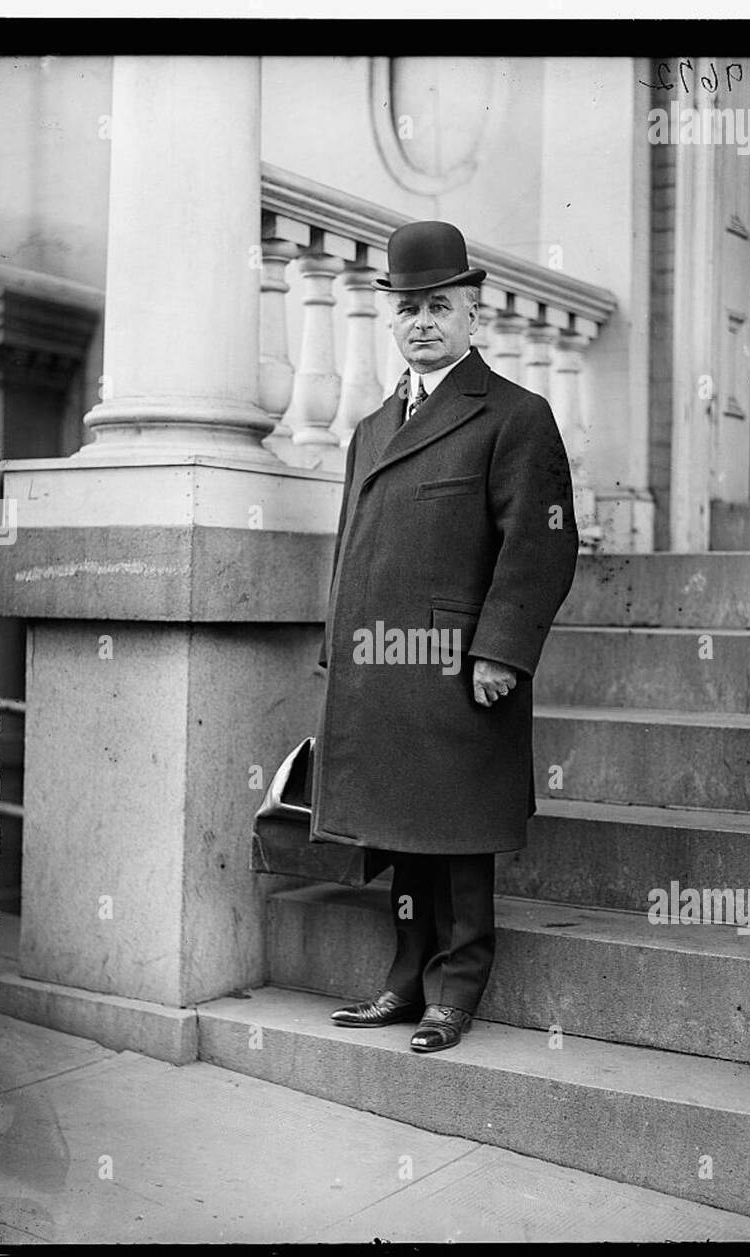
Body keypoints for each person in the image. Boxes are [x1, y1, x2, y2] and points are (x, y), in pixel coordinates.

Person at [311, 220, 578, 1053]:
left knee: (458, 840)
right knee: (400, 835)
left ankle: (454, 992)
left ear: (473, 317)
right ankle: (403, 979)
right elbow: (356, 546)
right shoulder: (370, 427)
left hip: (459, 667)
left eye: (438, 307)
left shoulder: (514, 415)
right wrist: (339, 648)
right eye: (407, 309)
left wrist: (501, 650)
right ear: (391, 321)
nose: (421, 322)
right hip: (381, 666)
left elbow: (540, 542)